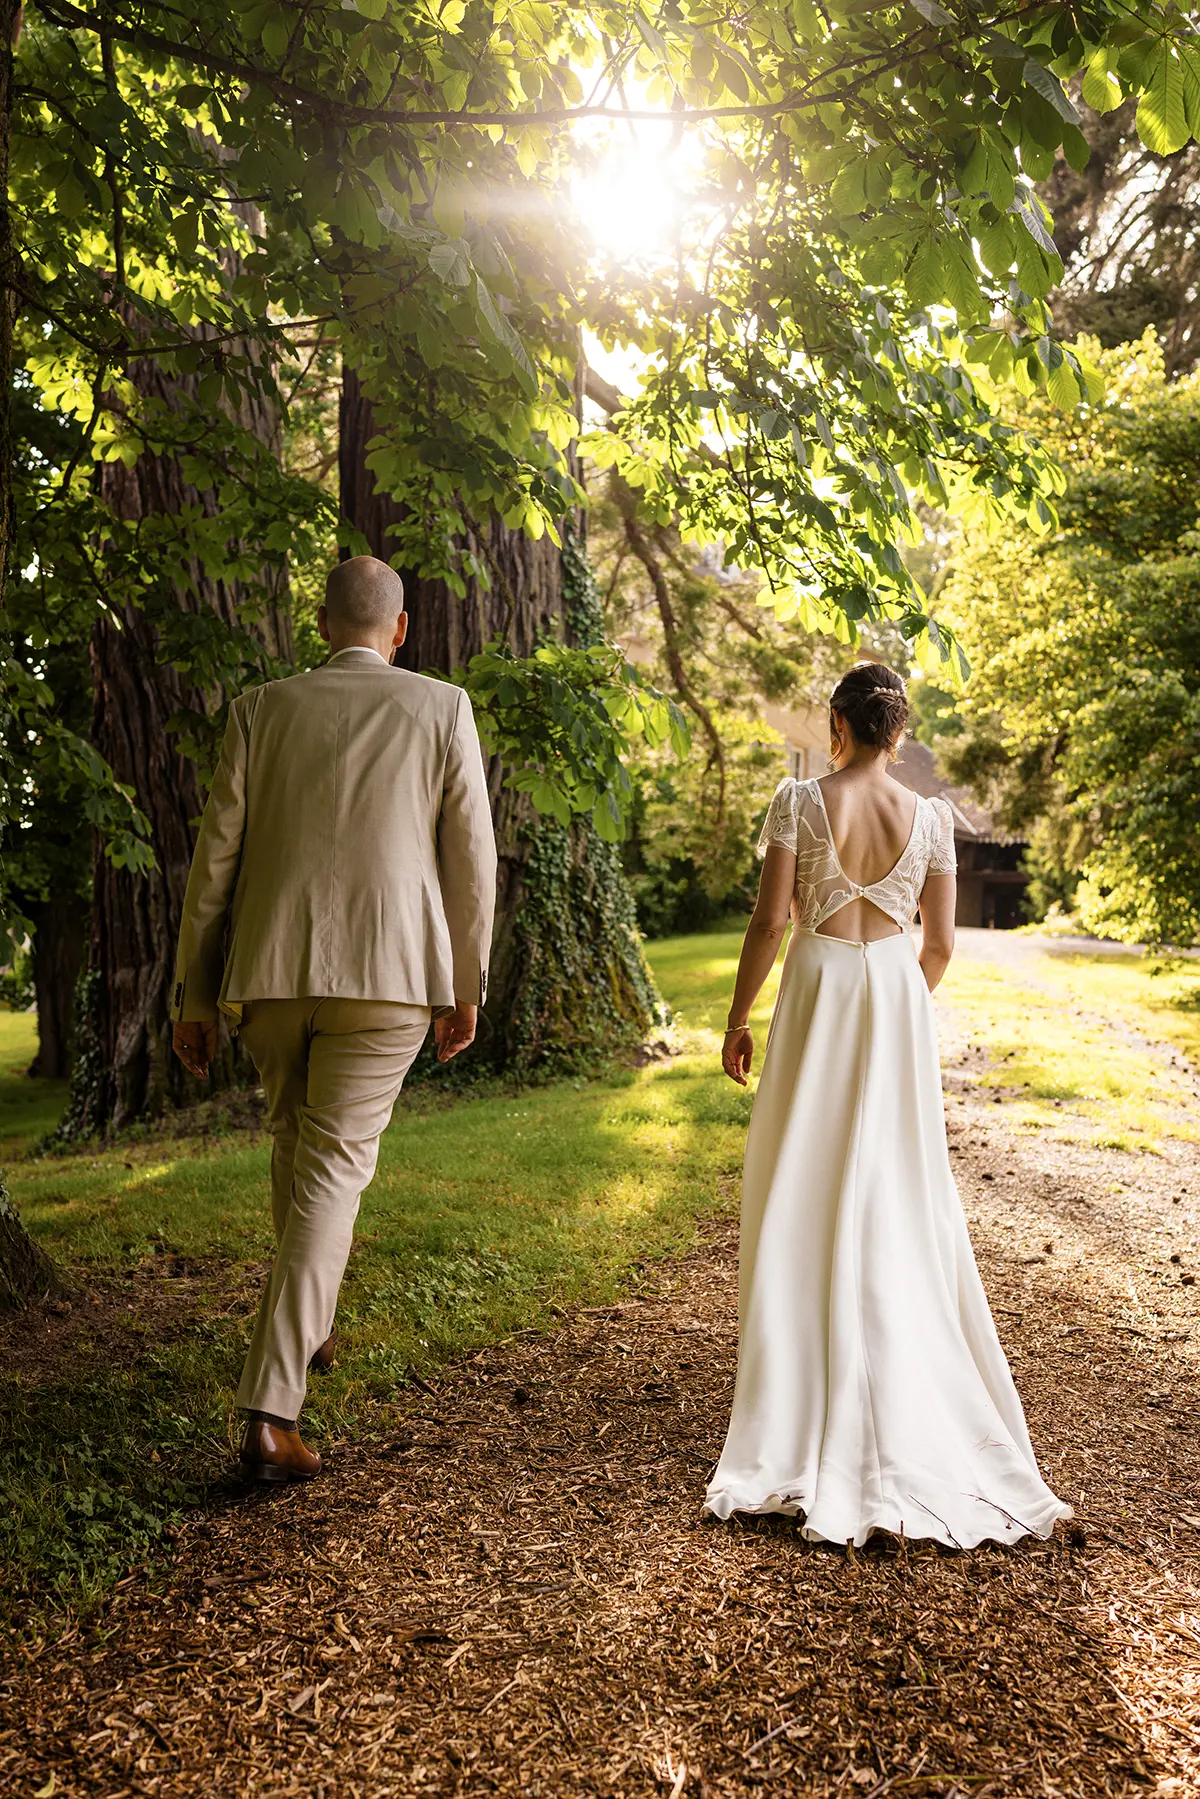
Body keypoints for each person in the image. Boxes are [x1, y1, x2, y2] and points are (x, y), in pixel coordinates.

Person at [706, 662, 1070, 1547]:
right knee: (896, 1191)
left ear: (838, 721)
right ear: (899, 731)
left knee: (800, 1178)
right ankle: (898, 1387)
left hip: (821, 988)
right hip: (894, 1000)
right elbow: (939, 944)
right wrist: (900, 1003)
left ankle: (796, 1396)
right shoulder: (934, 818)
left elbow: (770, 921)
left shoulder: (800, 802)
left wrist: (737, 1015)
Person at [170, 556, 496, 1485]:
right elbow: (471, 854)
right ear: (400, 630)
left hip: (269, 970)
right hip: (388, 974)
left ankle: (306, 1328)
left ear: (323, 623)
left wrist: (194, 993)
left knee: (297, 1148)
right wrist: (466, 979)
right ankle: (271, 1412)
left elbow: (213, 866)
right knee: (333, 1168)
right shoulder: (441, 707)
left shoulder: (261, 708)